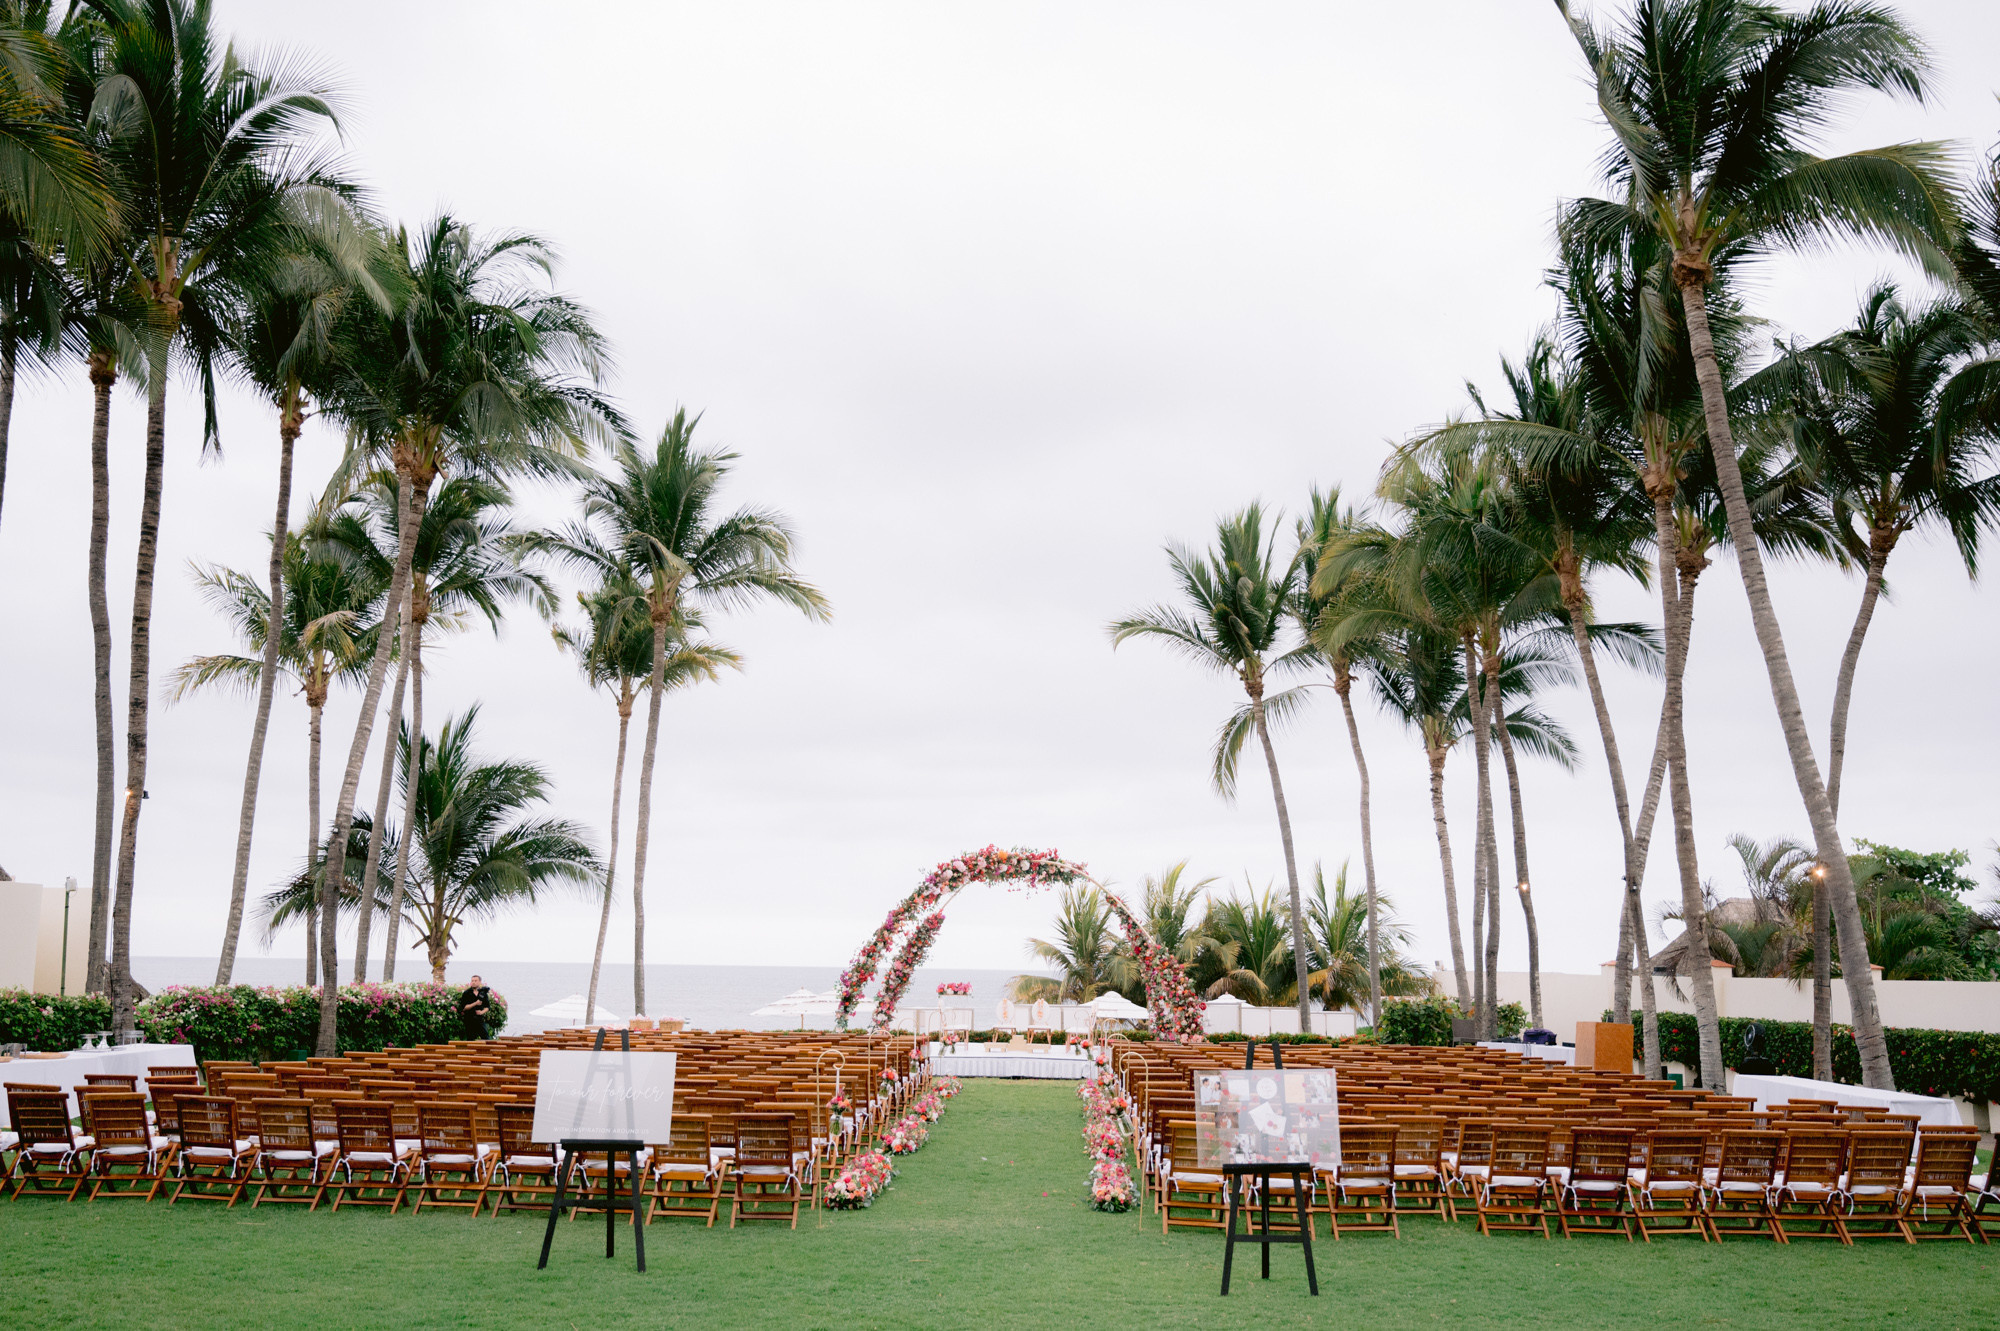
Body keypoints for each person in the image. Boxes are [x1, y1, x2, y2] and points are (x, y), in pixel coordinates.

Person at [458, 975, 493, 1040]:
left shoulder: (483, 993)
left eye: (475, 981)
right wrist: (475, 1003)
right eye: (472, 981)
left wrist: (482, 1012)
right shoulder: (467, 993)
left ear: (479, 982)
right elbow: (464, 1007)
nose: (473, 982)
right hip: (469, 1019)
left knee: (486, 1038)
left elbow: (487, 1007)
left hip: (480, 1019)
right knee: (470, 1039)